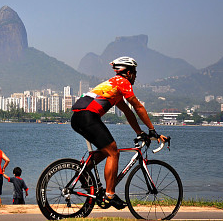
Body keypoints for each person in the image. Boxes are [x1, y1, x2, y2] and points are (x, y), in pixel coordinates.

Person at [71, 56, 167, 210]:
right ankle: (110, 195)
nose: (135, 76)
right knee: (113, 152)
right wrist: (152, 130)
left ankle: (83, 172)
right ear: (128, 73)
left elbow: (128, 112)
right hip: (88, 117)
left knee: (106, 151)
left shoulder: (113, 86)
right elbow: (138, 106)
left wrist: (139, 132)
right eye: (134, 72)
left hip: (78, 118)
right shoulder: (123, 82)